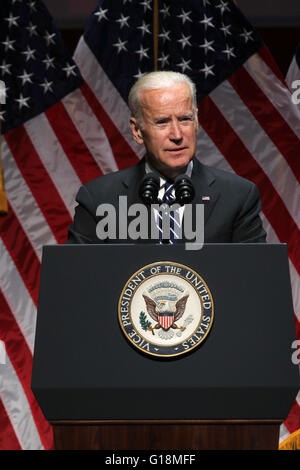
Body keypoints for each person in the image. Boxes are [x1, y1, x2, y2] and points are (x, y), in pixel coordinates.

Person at [67, 71, 266, 244]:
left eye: (185, 119)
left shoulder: (238, 196)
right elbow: (77, 278)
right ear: (137, 131)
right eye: (162, 122)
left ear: (196, 122)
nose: (177, 135)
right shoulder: (98, 199)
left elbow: (254, 279)